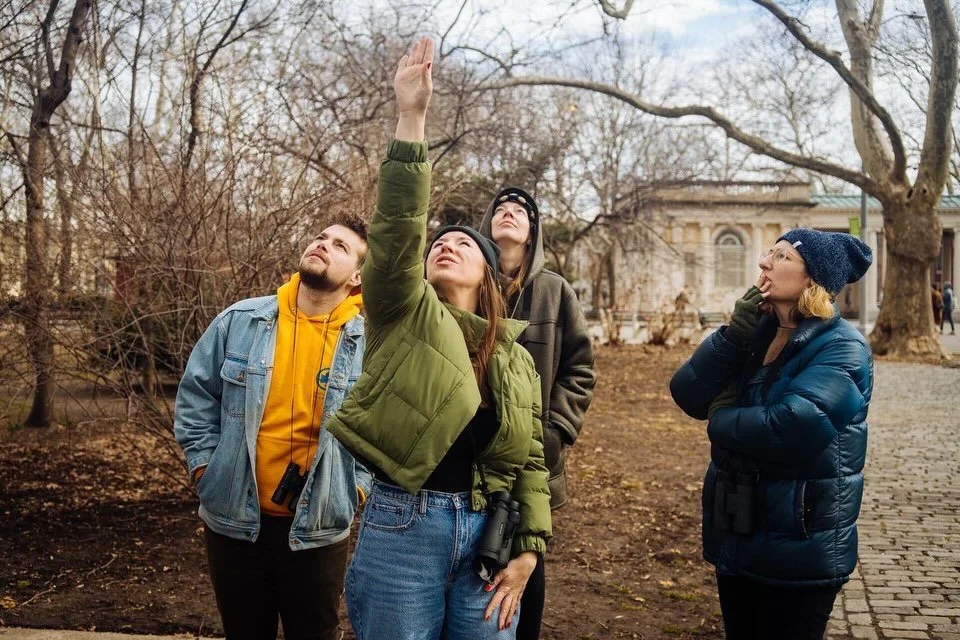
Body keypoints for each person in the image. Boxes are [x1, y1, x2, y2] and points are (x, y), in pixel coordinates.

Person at [325, 37, 551, 640]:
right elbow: (398, 227)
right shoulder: (402, 314)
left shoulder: (513, 358)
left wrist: (528, 550)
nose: (446, 244)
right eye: (438, 243)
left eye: (465, 244)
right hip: (405, 529)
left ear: (489, 275)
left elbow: (528, 459)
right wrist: (412, 116)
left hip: (489, 536)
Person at [173, 213, 371, 640]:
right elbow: (195, 398)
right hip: (234, 521)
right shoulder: (240, 322)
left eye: (341, 246)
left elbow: (381, 431)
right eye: (322, 237)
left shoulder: (367, 347)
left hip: (317, 527)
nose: (323, 244)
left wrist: (355, 488)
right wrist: (205, 468)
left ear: (356, 277)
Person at [669, 229, 874, 639]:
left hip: (799, 544)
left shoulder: (844, 347)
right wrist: (731, 337)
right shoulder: (756, 332)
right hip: (740, 530)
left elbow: (791, 427)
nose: (764, 263)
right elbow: (688, 393)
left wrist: (721, 417)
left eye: (781, 257)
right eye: (769, 253)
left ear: (813, 277)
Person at [478, 186, 596, 639]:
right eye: (500, 210)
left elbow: (580, 369)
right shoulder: (472, 281)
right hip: (470, 453)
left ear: (532, 233)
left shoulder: (555, 291)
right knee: (473, 558)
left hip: (532, 459)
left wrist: (554, 431)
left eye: (519, 212)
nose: (509, 214)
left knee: (526, 556)